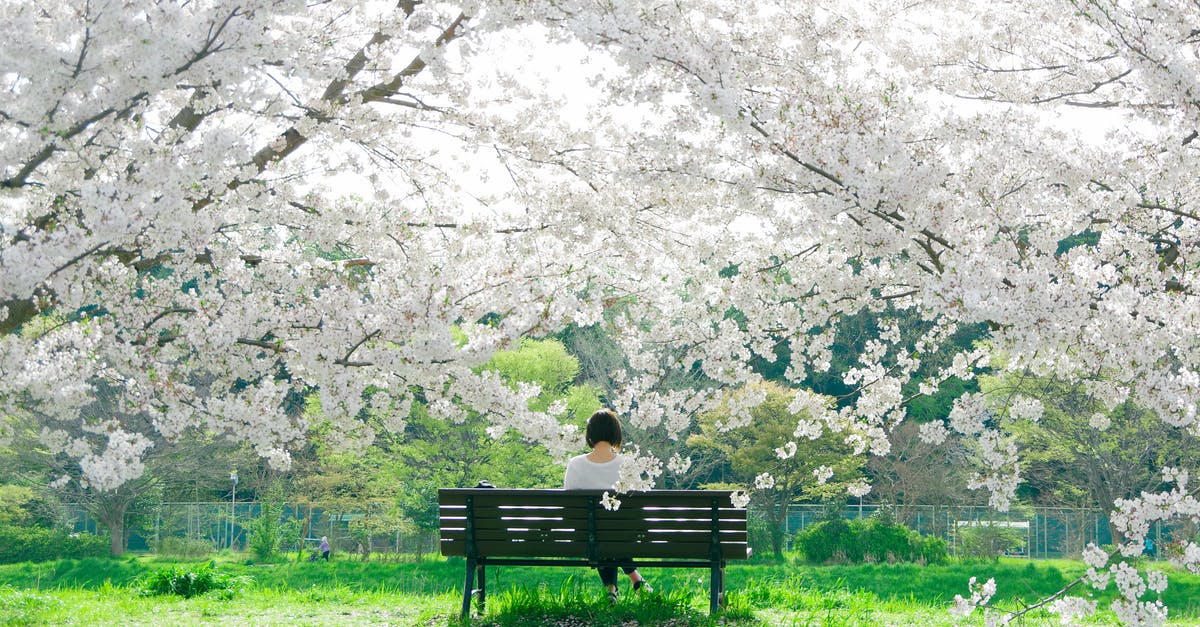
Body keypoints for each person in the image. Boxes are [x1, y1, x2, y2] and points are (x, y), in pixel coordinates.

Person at [563, 408, 652, 604]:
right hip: (625, 535)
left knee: (600, 529)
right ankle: (636, 580)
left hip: (584, 535)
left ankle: (611, 588)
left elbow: (570, 510)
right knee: (613, 527)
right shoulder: (627, 464)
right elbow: (635, 511)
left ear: (590, 435)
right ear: (615, 434)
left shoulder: (575, 464)